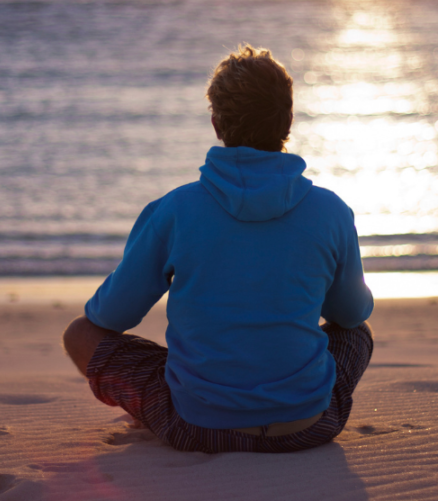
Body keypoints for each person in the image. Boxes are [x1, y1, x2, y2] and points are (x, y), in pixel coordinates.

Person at [63, 44, 373, 453]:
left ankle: (157, 408)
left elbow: (108, 316)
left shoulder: (176, 209)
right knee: (357, 333)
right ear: (288, 121)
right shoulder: (330, 210)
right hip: (308, 427)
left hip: (196, 427)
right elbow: (350, 314)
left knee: (80, 334)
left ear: (216, 123)